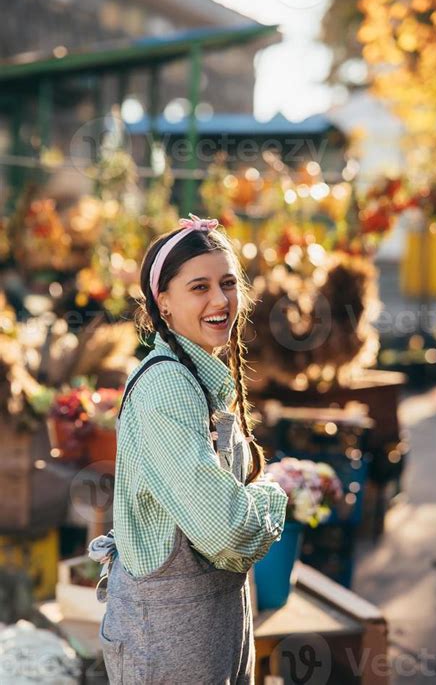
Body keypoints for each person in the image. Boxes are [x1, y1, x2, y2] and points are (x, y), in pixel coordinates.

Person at [88, 213, 288, 684]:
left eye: (227, 283)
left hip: (211, 627)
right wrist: (273, 497)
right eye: (199, 287)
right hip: (169, 642)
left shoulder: (200, 377)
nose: (221, 300)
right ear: (164, 302)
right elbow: (226, 532)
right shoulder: (169, 388)